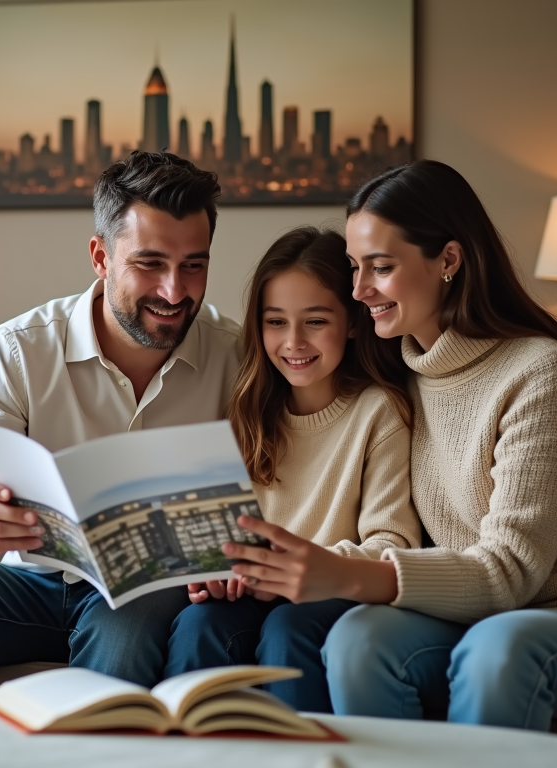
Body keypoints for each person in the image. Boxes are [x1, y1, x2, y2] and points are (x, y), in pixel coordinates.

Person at [222, 159, 557, 728]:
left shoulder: (539, 371)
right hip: (475, 614)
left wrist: (342, 572)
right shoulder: (401, 371)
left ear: (448, 259)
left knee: (499, 653)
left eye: (381, 267)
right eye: (353, 267)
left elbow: (511, 571)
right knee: (357, 639)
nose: (358, 290)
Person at [0, 151, 241, 688]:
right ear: (100, 256)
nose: (174, 291)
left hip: (141, 597)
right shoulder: (18, 351)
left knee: (128, 630)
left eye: (194, 265)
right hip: (24, 585)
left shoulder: (236, 357)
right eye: (149, 264)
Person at [165, 226, 421, 713]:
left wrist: (297, 569)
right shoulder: (245, 411)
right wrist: (211, 570)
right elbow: (218, 531)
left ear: (350, 321)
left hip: (334, 594)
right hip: (252, 596)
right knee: (198, 625)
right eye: (276, 322)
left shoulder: (380, 412)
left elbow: (393, 544)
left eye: (316, 321)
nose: (294, 341)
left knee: (289, 627)